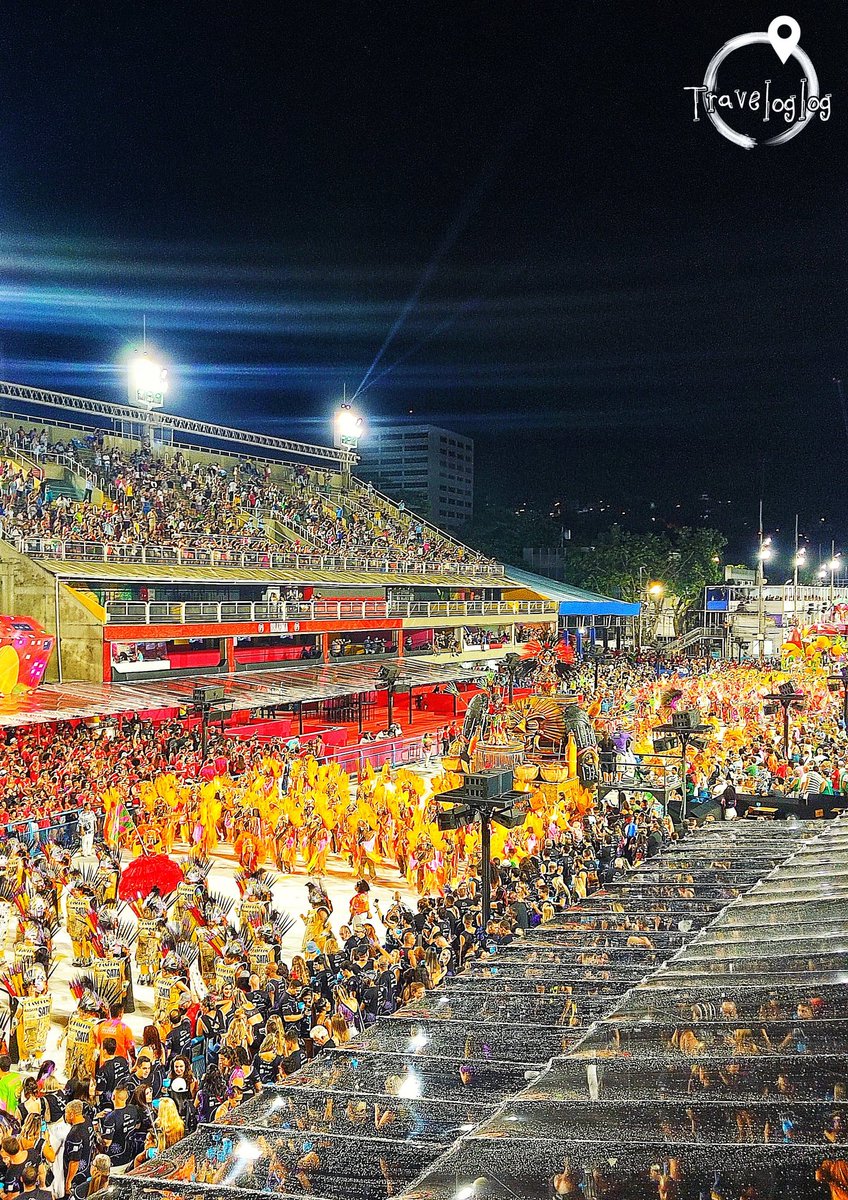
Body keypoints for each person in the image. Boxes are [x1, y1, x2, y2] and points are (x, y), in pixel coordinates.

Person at [61, 1102, 90, 1200]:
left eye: (66, 1113)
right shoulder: (87, 1120)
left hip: (77, 1177)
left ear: (72, 1114)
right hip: (87, 1170)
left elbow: (74, 1162)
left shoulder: (74, 1134)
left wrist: (68, 1181)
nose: (65, 1116)